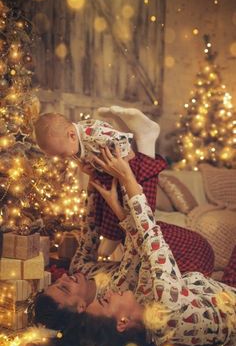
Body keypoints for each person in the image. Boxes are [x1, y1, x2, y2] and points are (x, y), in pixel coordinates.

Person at [33, 146, 236, 346]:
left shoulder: (144, 306)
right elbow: (152, 241)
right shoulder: (166, 310)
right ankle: (143, 152)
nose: (110, 293)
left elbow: (136, 246)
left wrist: (104, 194)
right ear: (122, 322)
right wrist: (128, 181)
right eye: (103, 301)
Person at [34, 107, 166, 256]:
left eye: (63, 154)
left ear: (71, 135)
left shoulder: (93, 136)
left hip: (125, 166)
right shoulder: (73, 140)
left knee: (141, 203)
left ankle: (113, 236)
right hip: (106, 173)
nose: (64, 158)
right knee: (101, 202)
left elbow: (120, 139)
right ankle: (111, 235)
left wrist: (125, 159)